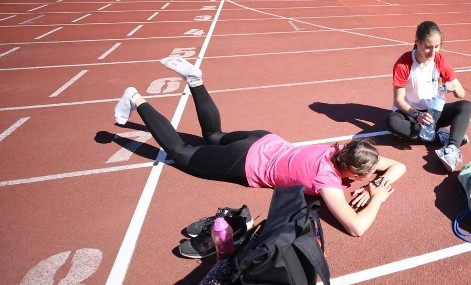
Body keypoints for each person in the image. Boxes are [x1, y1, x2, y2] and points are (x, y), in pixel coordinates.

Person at [114, 57, 406, 238]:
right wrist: (376, 198)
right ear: (352, 173)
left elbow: (398, 166)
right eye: (366, 177)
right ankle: (137, 99)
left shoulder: (341, 148)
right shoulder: (327, 182)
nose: (370, 178)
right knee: (181, 154)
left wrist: (374, 184)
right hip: (245, 161)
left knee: (213, 135)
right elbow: (356, 228)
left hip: (263, 139)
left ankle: (196, 81)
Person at [386, 20, 471, 172]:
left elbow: (461, 93)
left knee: (465, 106)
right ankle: (441, 138)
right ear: (417, 42)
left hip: (433, 113)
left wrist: (454, 86)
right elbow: (398, 100)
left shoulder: (439, 60)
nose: (433, 52)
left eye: (437, 47)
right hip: (410, 113)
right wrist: (417, 114)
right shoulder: (403, 63)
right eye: (428, 47)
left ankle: (452, 148)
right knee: (392, 122)